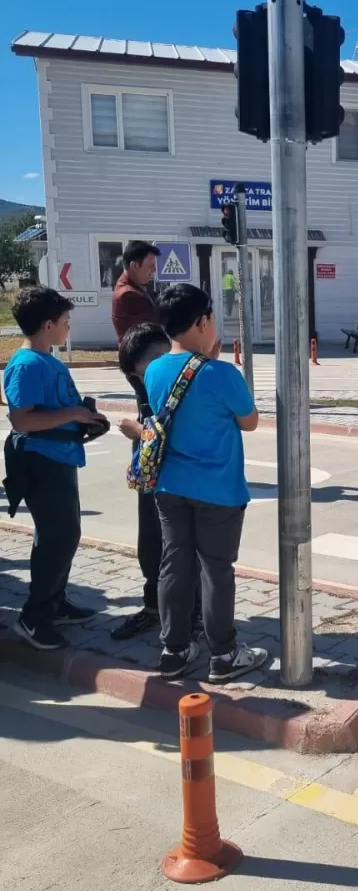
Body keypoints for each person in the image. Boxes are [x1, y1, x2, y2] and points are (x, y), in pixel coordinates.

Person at [144, 283, 267, 684]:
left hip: (169, 488)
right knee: (216, 570)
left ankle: (174, 649)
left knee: (174, 564)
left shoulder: (155, 370)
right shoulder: (223, 374)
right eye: (211, 316)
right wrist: (211, 364)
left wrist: (204, 361)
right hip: (218, 491)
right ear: (201, 322)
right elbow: (249, 421)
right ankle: (225, 654)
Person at [2, 287, 106, 649]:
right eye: (65, 322)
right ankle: (34, 616)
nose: (68, 328)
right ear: (48, 325)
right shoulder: (27, 364)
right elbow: (22, 420)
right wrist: (75, 414)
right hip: (41, 461)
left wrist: (83, 418)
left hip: (59, 458)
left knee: (65, 534)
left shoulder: (47, 360)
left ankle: (55, 601)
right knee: (56, 538)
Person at [112, 323, 200, 643]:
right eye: (133, 376)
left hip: (180, 480)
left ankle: (193, 615)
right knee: (150, 542)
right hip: (151, 477)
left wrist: (139, 432)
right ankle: (154, 606)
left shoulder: (183, 380)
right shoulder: (146, 383)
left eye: (141, 372)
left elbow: (181, 433)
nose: (139, 381)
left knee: (181, 547)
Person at [111, 240, 160, 342]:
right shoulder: (128, 294)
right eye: (151, 265)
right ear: (134, 266)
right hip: (142, 355)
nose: (154, 270)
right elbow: (158, 324)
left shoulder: (138, 286)